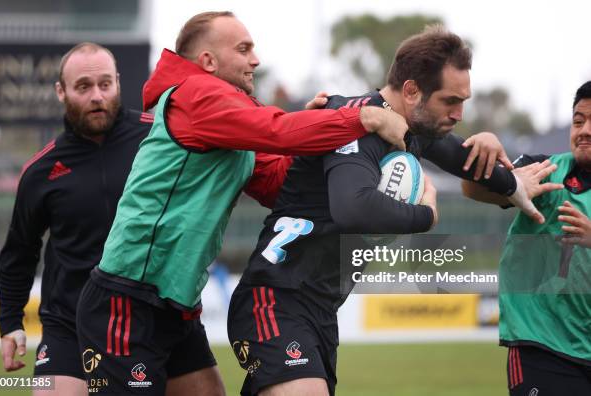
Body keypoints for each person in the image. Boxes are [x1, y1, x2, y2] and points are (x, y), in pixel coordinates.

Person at [74, 11, 417, 396]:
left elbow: (277, 183)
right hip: (128, 299)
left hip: (176, 307)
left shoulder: (227, 116)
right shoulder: (195, 95)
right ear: (208, 61)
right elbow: (275, 130)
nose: (255, 59)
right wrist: (360, 118)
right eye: (243, 48)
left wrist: (323, 140)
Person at [226, 25, 560, 396]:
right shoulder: (353, 122)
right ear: (412, 90)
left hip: (319, 309)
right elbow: (353, 208)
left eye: (464, 101)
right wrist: (427, 215)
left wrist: (512, 182)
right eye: (450, 101)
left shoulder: (410, 128)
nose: (459, 113)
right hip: (275, 297)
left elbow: (459, 156)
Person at [0, 42, 153, 395]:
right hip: (70, 322)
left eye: (105, 84)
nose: (97, 96)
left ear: (118, 82)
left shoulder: (156, 139)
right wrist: (10, 321)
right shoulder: (40, 171)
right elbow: (19, 252)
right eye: (83, 87)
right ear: (61, 91)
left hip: (155, 317)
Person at [462, 81, 591, 396]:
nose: (584, 130)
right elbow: (474, 188)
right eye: (578, 121)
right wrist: (490, 153)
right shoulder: (545, 170)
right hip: (544, 344)